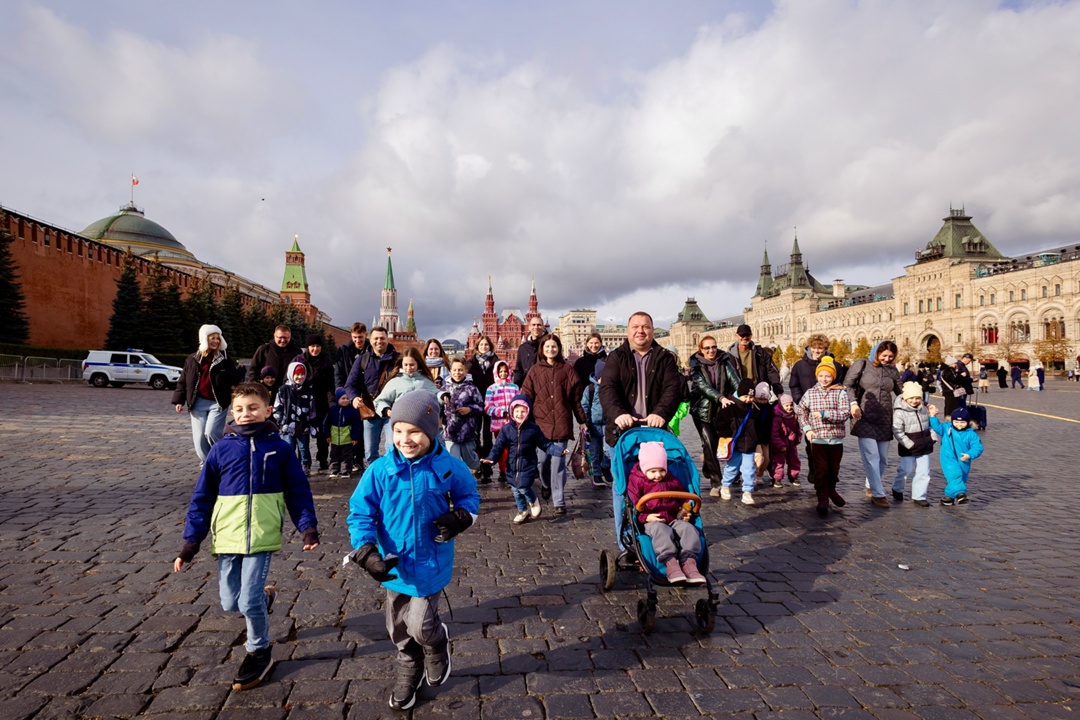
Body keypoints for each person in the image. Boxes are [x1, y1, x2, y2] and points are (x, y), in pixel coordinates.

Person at [173, 382, 320, 691]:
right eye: (239, 409)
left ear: (268, 410)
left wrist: (307, 526)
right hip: (226, 537)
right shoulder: (221, 448)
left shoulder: (279, 449)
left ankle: (259, 649)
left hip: (263, 536)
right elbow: (201, 497)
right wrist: (190, 543)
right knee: (230, 603)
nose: (246, 414)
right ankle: (264, 599)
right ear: (232, 412)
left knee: (247, 599)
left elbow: (297, 491)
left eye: (253, 408)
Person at [345, 390, 480, 711]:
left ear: (431, 432)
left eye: (414, 431)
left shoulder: (447, 466)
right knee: (397, 628)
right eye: (399, 431)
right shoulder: (379, 471)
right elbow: (360, 512)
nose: (405, 439)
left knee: (420, 624)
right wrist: (365, 551)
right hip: (393, 566)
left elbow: (468, 495)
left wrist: (462, 517)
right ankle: (409, 666)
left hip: (431, 562)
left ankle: (436, 643)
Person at [599, 312, 684, 551]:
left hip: (654, 435)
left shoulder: (664, 358)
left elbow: (672, 390)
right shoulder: (616, 357)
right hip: (622, 435)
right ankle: (626, 542)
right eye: (635, 327)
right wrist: (618, 415)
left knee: (658, 484)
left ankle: (657, 535)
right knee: (623, 489)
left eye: (645, 327)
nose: (640, 331)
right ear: (628, 331)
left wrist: (660, 413)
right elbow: (607, 390)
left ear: (652, 330)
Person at [521, 333, 586, 515]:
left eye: (554, 346)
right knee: (543, 462)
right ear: (542, 349)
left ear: (559, 349)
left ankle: (559, 501)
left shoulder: (567, 370)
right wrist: (519, 415)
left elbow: (576, 399)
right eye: (547, 346)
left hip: (561, 423)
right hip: (541, 425)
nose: (551, 349)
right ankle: (546, 483)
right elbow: (525, 395)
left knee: (558, 463)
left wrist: (582, 421)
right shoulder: (534, 371)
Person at [626, 441, 705, 584]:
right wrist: (646, 516)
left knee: (689, 529)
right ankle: (671, 563)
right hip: (652, 520)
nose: (658, 475)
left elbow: (683, 496)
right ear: (644, 468)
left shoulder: (672, 479)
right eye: (653, 471)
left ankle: (689, 562)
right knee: (661, 531)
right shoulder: (637, 481)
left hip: (675, 517)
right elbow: (635, 505)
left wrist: (686, 508)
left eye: (662, 470)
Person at [481, 394, 564, 524]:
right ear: (512, 411)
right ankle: (522, 511)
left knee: (524, 487)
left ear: (528, 412)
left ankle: (533, 501)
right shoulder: (506, 429)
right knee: (515, 490)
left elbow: (545, 444)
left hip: (528, 464)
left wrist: (559, 451)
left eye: (523, 411)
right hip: (512, 465)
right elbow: (498, 446)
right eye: (517, 411)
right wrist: (492, 458)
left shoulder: (533, 429)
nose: (520, 414)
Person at [845, 341, 902, 508]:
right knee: (872, 456)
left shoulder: (892, 370)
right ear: (876, 353)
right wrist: (853, 403)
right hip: (863, 414)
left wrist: (918, 400)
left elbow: (901, 391)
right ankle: (878, 494)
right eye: (883, 356)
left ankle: (871, 484)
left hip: (884, 417)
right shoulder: (862, 364)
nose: (886, 359)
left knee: (883, 458)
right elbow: (847, 385)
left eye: (890, 357)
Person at [172, 324, 241, 464]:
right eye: (212, 338)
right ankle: (208, 464)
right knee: (199, 438)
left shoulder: (224, 359)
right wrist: (179, 400)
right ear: (204, 339)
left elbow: (234, 379)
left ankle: (223, 457)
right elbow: (184, 380)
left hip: (218, 402)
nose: (215, 341)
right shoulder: (192, 359)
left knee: (211, 432)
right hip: (198, 403)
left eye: (218, 338)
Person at [796, 357, 852, 517]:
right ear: (817, 376)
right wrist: (807, 429)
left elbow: (844, 413)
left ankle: (831, 490)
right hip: (817, 438)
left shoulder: (840, 392)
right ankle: (822, 497)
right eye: (821, 375)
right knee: (821, 470)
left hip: (835, 438)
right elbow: (801, 411)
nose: (824, 379)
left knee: (833, 469)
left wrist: (825, 414)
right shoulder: (810, 393)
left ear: (833, 376)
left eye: (828, 376)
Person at [788, 334, 844, 486]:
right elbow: (794, 385)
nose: (817, 350)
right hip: (809, 412)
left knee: (831, 445)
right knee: (812, 443)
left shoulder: (836, 366)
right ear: (809, 347)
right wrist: (800, 401)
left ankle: (830, 473)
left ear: (825, 348)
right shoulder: (800, 365)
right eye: (815, 347)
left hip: (829, 413)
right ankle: (816, 471)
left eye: (821, 348)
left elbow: (840, 386)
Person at [687, 335, 738, 496]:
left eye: (714, 347)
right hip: (701, 411)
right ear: (701, 350)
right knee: (709, 442)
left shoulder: (724, 362)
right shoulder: (695, 367)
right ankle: (717, 483)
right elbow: (703, 387)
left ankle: (708, 466)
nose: (711, 350)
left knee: (715, 445)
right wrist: (720, 397)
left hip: (720, 411)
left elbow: (735, 381)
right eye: (707, 348)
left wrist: (743, 394)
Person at [345, 326, 400, 468]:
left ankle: (390, 476)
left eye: (382, 338)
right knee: (370, 452)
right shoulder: (363, 360)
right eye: (376, 338)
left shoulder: (398, 359)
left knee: (392, 448)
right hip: (370, 410)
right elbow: (350, 384)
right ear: (370, 340)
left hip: (391, 410)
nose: (379, 341)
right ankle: (376, 478)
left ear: (388, 339)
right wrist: (354, 398)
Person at [928, 406, 984, 506]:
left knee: (961, 478)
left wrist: (969, 454)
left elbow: (978, 447)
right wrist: (932, 416)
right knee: (954, 474)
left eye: (962, 422)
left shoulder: (971, 434)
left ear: (967, 422)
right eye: (956, 422)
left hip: (964, 459)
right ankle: (961, 494)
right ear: (952, 421)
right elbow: (937, 427)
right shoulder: (946, 428)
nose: (959, 425)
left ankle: (948, 497)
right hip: (948, 458)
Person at [891, 381, 935, 507]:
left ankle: (919, 496)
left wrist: (932, 437)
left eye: (917, 398)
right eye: (911, 398)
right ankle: (897, 488)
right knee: (905, 469)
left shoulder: (923, 409)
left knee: (924, 472)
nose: (915, 401)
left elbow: (929, 424)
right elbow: (897, 430)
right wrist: (909, 444)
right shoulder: (900, 412)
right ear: (905, 398)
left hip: (925, 444)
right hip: (909, 446)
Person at [373, 348, 447, 422]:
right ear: (401, 364)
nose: (408, 368)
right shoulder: (395, 381)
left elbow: (435, 394)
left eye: (412, 365)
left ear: (418, 363)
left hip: (421, 423)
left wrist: (443, 396)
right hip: (400, 422)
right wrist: (386, 410)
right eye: (406, 365)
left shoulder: (425, 380)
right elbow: (380, 401)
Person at [718, 379, 761, 505]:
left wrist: (758, 442)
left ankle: (747, 491)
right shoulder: (730, 407)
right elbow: (720, 423)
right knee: (732, 467)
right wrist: (727, 435)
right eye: (745, 396)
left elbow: (759, 427)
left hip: (749, 445)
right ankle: (725, 485)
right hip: (735, 444)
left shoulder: (754, 409)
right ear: (739, 394)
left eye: (751, 397)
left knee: (749, 469)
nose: (748, 399)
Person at [296, 334, 334, 474]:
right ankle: (305, 461)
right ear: (307, 347)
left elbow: (330, 385)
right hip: (303, 402)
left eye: (318, 346)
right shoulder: (299, 360)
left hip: (321, 402)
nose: (315, 349)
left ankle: (323, 459)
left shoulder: (325, 362)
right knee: (303, 432)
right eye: (312, 346)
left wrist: (331, 403)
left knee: (322, 433)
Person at [575, 333, 609, 485]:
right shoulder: (580, 363)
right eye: (591, 343)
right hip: (590, 410)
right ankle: (595, 472)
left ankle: (605, 468)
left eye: (597, 343)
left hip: (606, 417)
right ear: (587, 344)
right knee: (592, 447)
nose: (594, 345)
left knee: (607, 448)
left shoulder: (607, 360)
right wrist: (583, 418)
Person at [442, 358, 484, 471]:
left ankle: (479, 466)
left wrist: (470, 409)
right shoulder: (444, 389)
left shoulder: (472, 388)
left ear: (466, 371)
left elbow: (481, 406)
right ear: (450, 371)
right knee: (453, 461)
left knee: (470, 461)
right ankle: (458, 484)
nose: (457, 373)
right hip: (450, 432)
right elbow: (438, 406)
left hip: (467, 432)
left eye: (460, 370)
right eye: (454, 370)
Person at [467, 336, 500, 481]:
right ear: (477, 346)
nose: (484, 347)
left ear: (490, 346)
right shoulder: (470, 364)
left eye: (486, 344)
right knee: (474, 436)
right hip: (474, 405)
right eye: (481, 344)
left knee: (487, 437)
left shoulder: (497, 363)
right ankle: (477, 464)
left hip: (490, 405)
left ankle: (487, 468)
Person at [274, 361, 316, 473]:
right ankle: (289, 467)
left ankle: (305, 464)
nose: (300, 377)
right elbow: (278, 406)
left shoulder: (308, 388)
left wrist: (312, 424)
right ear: (291, 374)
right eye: (297, 374)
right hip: (287, 425)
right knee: (288, 447)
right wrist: (281, 420)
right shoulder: (283, 389)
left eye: (302, 374)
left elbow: (312, 408)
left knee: (304, 448)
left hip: (303, 425)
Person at [483, 360, 520, 483]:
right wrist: (502, 412)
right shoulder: (491, 388)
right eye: (501, 371)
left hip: (513, 424)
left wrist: (515, 414)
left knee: (513, 448)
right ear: (496, 373)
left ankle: (511, 470)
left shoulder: (514, 388)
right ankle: (503, 471)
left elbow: (519, 403)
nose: (503, 374)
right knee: (502, 448)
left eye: (505, 371)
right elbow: (488, 407)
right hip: (499, 425)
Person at [726, 324, 783, 396]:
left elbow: (771, 372)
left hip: (758, 393)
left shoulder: (761, 353)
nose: (745, 338)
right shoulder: (729, 356)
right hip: (739, 395)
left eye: (747, 335)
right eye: (742, 335)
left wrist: (779, 392)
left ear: (751, 335)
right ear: (736, 336)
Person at [580, 359, 612, 487]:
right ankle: (597, 475)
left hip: (608, 425)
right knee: (594, 452)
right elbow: (585, 406)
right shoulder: (590, 389)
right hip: (593, 425)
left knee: (607, 450)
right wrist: (585, 422)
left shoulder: (612, 388)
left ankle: (605, 467)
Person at [246, 325, 301, 397]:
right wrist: (257, 388)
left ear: (290, 336)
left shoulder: (297, 352)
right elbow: (253, 371)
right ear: (274, 335)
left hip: (288, 394)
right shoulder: (264, 350)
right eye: (280, 337)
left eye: (286, 338)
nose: (283, 340)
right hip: (266, 394)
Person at [324, 388, 362, 479]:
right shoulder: (332, 410)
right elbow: (326, 423)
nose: (345, 400)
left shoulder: (352, 411)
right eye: (343, 398)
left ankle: (345, 471)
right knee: (334, 455)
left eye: (347, 399)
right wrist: (327, 435)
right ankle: (334, 470)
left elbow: (356, 425)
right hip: (335, 438)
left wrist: (355, 437)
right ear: (337, 399)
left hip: (347, 438)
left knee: (347, 456)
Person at [768, 393, 802, 488]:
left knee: (794, 460)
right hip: (780, 445)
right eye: (786, 405)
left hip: (792, 443)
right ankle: (777, 478)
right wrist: (780, 445)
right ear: (781, 406)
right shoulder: (777, 418)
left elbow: (797, 429)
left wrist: (798, 438)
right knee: (779, 462)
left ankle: (793, 476)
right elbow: (774, 434)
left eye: (791, 405)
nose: (789, 408)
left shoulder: (793, 416)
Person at [513, 316, 547, 386]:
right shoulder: (523, 348)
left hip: (545, 387)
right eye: (533, 325)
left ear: (543, 327)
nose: (536, 327)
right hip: (527, 388)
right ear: (529, 327)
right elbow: (519, 370)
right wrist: (516, 387)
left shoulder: (548, 345)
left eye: (539, 325)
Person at [334, 322, 368, 389]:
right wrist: (340, 391)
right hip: (348, 390)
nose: (357, 340)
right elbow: (339, 374)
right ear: (351, 335)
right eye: (355, 337)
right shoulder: (343, 350)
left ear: (366, 335)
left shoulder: (371, 350)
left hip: (367, 391)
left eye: (360, 337)